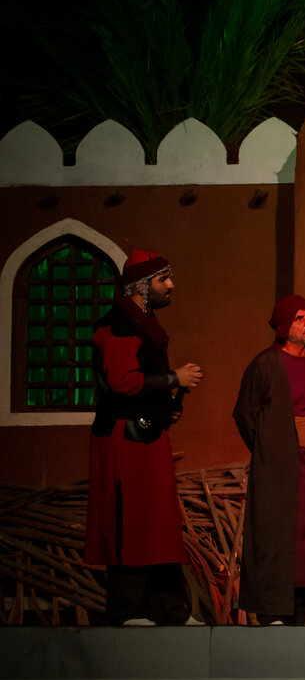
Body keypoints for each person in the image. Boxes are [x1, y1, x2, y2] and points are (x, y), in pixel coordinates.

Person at [85, 248, 203, 625]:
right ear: (140, 286)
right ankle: (130, 609)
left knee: (159, 523)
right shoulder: (119, 324)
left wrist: (165, 406)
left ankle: (169, 609)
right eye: (163, 279)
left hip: (147, 435)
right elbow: (122, 381)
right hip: (126, 439)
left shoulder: (143, 323)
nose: (171, 285)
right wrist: (173, 378)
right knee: (132, 521)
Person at [234, 295, 305, 625]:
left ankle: (299, 610)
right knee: (276, 535)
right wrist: (271, 451)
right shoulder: (266, 364)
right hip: (279, 468)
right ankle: (272, 611)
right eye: (298, 318)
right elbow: (245, 414)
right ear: (283, 327)